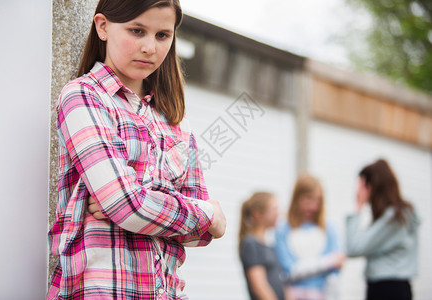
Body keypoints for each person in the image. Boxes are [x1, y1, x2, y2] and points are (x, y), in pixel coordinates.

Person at [47, 1, 226, 299]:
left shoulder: (176, 120)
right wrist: (209, 214)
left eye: (162, 35)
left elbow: (197, 236)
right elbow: (126, 205)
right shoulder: (84, 97)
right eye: (137, 30)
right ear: (103, 27)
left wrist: (141, 202)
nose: (149, 47)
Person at [346, 159, 420, 300]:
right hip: (390, 288)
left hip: (387, 289)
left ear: (372, 186)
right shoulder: (396, 216)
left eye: (363, 186)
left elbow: (354, 247)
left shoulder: (395, 218)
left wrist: (357, 207)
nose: (359, 191)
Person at [275, 174, 345, 300]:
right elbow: (288, 271)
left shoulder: (330, 228)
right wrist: (328, 261)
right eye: (307, 199)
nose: (313, 206)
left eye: (317, 201)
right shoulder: (282, 230)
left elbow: (336, 271)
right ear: (296, 199)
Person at [239, 192, 289, 300]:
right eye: (274, 209)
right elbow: (259, 286)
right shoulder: (251, 244)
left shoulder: (269, 244)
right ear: (257, 214)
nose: (278, 214)